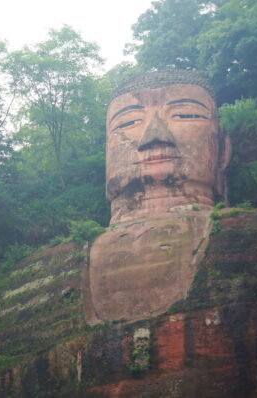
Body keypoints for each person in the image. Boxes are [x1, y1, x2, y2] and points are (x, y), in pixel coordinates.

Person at [85, 70, 231, 323]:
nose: (154, 136)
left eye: (185, 115)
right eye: (128, 122)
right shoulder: (58, 266)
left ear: (223, 149)